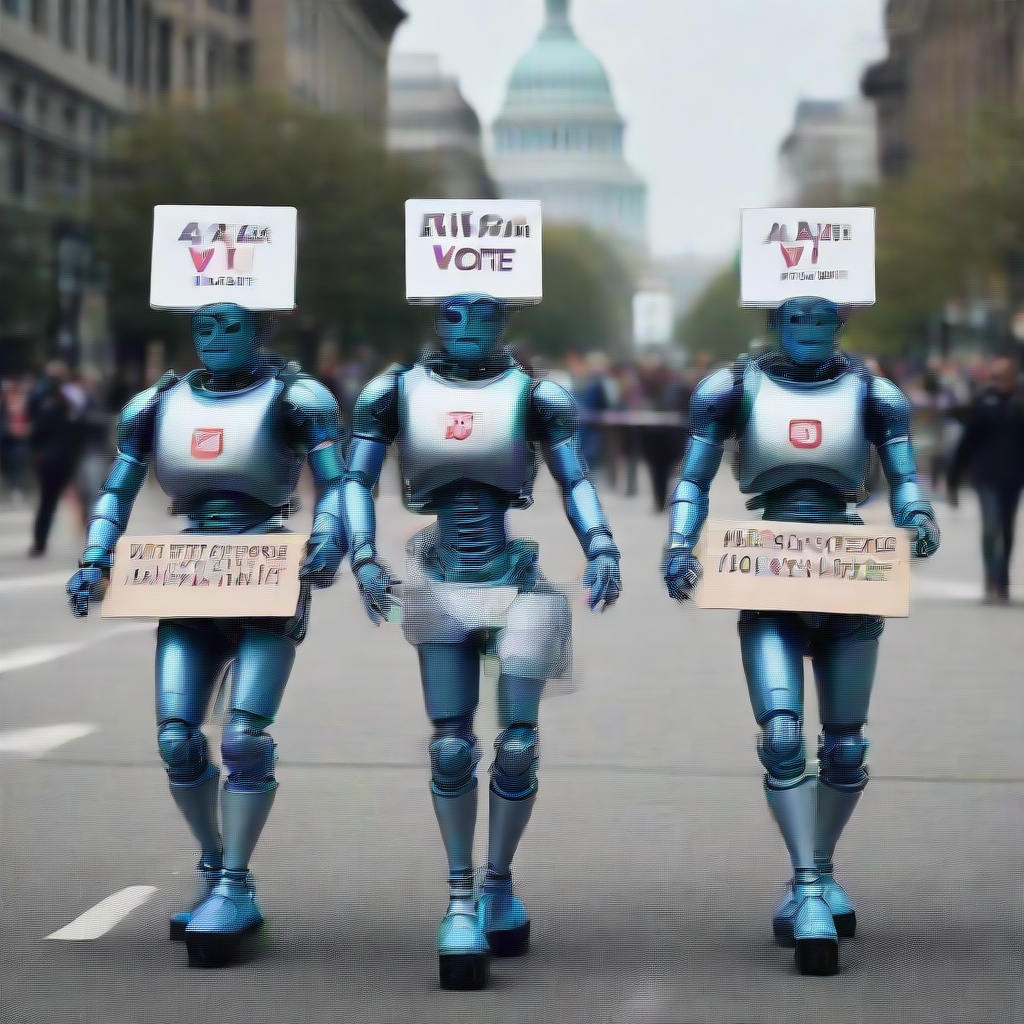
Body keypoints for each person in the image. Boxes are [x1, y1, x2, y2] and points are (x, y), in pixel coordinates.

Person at [343, 293, 621, 991]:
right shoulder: (394, 392)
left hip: (516, 579)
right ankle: (461, 894)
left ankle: (498, 882)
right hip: (437, 578)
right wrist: (363, 556)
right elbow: (354, 477)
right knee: (450, 744)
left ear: (508, 321)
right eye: (454, 314)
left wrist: (602, 544)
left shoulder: (537, 397)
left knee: (518, 746)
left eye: (485, 315)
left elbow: (574, 476)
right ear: (435, 318)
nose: (468, 328)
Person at [662, 296, 939, 976]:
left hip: (849, 567)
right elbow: (693, 478)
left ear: (839, 326)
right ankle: (809, 883)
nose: (808, 332)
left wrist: (918, 513)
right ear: (776, 322)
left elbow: (903, 475)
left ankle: (817, 867)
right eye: (796, 320)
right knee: (782, 735)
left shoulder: (875, 393)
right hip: (766, 566)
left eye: (821, 321)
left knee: (846, 747)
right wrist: (678, 540)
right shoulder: (731, 388)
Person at [65, 303, 348, 968]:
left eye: (231, 326)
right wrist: (94, 556)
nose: (216, 338)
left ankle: (234, 883)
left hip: (267, 566)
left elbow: (338, 483)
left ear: (259, 331)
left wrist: (333, 538)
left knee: (245, 737)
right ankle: (216, 862)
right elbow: (116, 488)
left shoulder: (296, 398)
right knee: (176, 738)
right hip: (188, 572)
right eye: (204, 326)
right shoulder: (156, 404)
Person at [947, 356, 1024, 604]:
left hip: (1013, 475)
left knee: (1007, 527)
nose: (1001, 383)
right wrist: (954, 479)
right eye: (997, 378)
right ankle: (991, 578)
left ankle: (1002, 578)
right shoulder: (983, 403)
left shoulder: (1020, 403)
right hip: (985, 474)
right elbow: (967, 442)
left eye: (1006, 378)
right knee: (991, 526)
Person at [27, 360, 80, 556]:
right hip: (52, 458)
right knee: (48, 500)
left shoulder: (69, 399)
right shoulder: (43, 399)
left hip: (61, 458)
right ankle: (40, 540)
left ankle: (41, 540)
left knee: (50, 500)